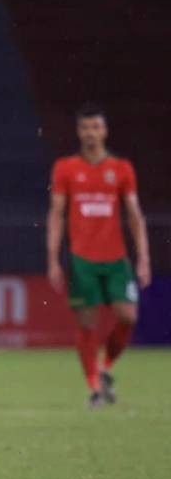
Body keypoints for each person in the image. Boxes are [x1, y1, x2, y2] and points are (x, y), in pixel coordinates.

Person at [47, 103, 151, 408]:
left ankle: (106, 369)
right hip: (82, 260)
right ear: (79, 132)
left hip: (116, 259)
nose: (91, 133)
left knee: (128, 316)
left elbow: (134, 215)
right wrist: (53, 259)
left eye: (96, 127)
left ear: (104, 131)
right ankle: (94, 388)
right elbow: (56, 214)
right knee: (88, 323)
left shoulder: (121, 169)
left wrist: (143, 257)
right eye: (85, 128)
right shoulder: (66, 168)